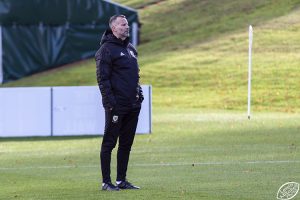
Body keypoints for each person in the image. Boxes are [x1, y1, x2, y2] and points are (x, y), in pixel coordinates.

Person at [95, 15, 144, 191]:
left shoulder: (130, 49)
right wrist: (109, 102)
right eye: (123, 24)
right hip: (116, 105)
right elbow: (102, 78)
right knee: (109, 143)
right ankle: (106, 182)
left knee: (126, 143)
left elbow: (134, 75)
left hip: (133, 105)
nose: (127, 27)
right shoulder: (106, 50)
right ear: (114, 28)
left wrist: (139, 93)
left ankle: (121, 180)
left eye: (127, 24)